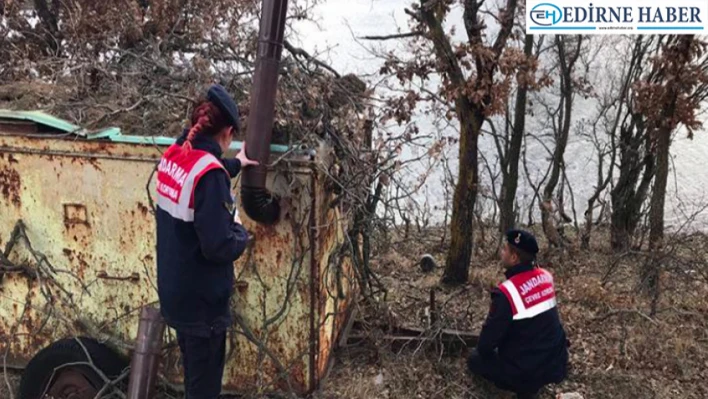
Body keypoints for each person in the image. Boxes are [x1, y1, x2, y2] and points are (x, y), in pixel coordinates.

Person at [155, 84, 259, 398]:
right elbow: (218, 245)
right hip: (203, 307)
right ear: (228, 132)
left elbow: (201, 176)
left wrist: (235, 164)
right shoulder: (208, 175)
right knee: (203, 390)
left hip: (177, 294)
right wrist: (243, 235)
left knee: (194, 381)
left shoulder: (175, 154)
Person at [467, 229, 569, 399]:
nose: (501, 252)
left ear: (514, 257)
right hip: (556, 362)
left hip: (527, 372)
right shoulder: (546, 276)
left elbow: (486, 345)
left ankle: (524, 389)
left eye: (505, 249)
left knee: (475, 359)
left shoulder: (506, 293)